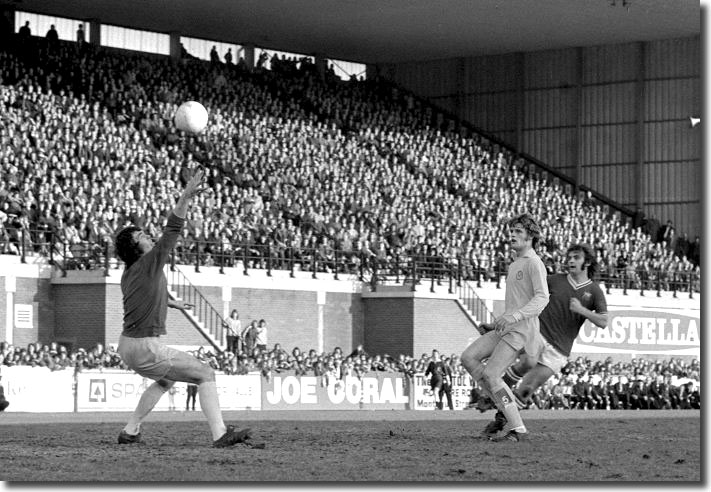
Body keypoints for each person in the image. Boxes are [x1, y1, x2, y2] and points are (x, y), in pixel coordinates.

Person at [114, 168, 252, 448]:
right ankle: (220, 434)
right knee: (205, 373)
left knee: (165, 382)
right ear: (135, 245)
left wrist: (172, 303)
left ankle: (130, 431)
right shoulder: (149, 262)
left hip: (127, 345)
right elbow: (172, 228)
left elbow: (145, 297)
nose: (147, 235)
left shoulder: (129, 273)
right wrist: (186, 196)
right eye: (141, 234)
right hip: (145, 346)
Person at [482, 244, 608, 436]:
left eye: (576, 257)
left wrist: (582, 310)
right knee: (525, 362)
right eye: (569, 257)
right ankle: (492, 392)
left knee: (526, 390)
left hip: (560, 350)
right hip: (538, 332)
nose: (571, 260)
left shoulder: (594, 291)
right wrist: (498, 323)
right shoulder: (554, 280)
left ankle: (502, 421)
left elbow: (603, 321)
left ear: (587, 262)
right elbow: (525, 299)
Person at [460, 213, 549, 442]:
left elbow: (542, 299)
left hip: (520, 329)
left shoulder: (534, 263)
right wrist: (495, 322)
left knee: (491, 375)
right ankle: (503, 405)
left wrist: (515, 316)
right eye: (511, 231)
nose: (512, 235)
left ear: (531, 237)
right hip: (507, 325)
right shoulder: (515, 264)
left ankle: (516, 427)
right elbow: (517, 301)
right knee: (469, 358)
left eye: (518, 231)